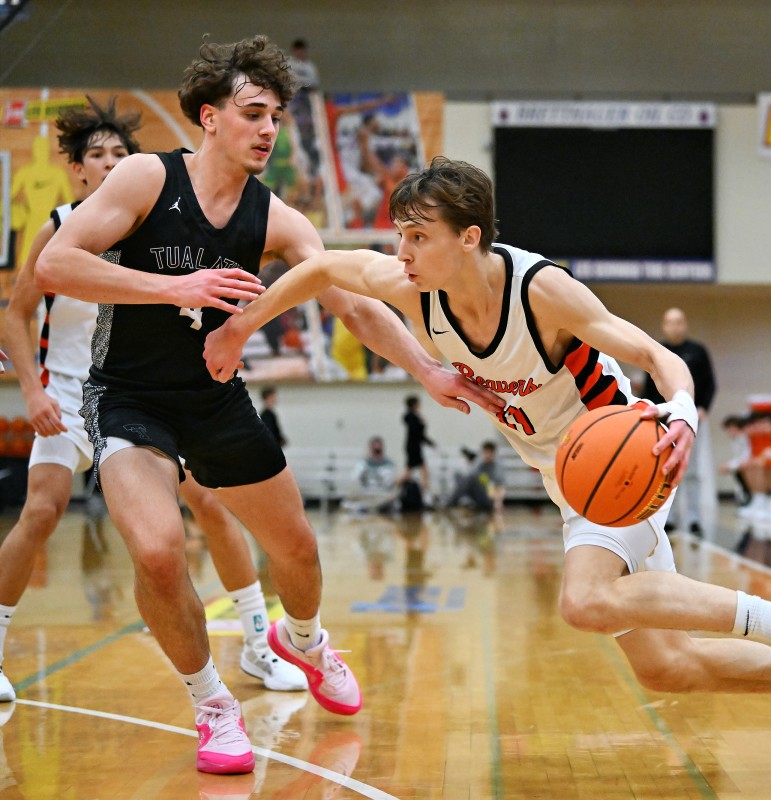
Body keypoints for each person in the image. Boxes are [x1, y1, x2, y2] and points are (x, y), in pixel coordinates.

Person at [205, 156, 771, 773]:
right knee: (669, 665)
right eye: (401, 236)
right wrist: (241, 325)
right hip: (566, 475)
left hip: (622, 455)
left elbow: (650, 354)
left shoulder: (540, 290)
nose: (403, 251)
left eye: (419, 236)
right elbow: (323, 267)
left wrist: (684, 410)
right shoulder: (413, 289)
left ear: (469, 236)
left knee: (584, 600)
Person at [35, 37, 501, 775]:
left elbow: (353, 307)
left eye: (276, 116)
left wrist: (428, 368)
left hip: (215, 400)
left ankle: (306, 640)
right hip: (127, 396)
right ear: (209, 117)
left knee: (299, 552)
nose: (268, 129)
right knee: (157, 552)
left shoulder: (277, 219)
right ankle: (213, 705)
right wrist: (173, 288)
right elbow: (53, 263)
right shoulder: (144, 179)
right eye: (253, 113)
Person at [0, 96, 305, 707]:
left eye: (121, 153)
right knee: (41, 512)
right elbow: (18, 314)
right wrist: (30, 389)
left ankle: (256, 642)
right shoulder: (61, 227)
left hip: (148, 398)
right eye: (98, 155)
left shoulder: (151, 214)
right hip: (70, 393)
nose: (112, 163)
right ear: (77, 170)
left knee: (214, 511)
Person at [641, 308, 717, 536]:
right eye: (670, 322)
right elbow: (649, 386)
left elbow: (709, 383)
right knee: (664, 468)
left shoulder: (698, 351)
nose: (674, 326)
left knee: (691, 469)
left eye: (678, 322)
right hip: (664, 418)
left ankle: (694, 518)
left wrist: (702, 408)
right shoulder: (658, 351)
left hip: (691, 419)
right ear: (664, 325)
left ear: (685, 324)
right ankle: (668, 518)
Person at [442, 440, 505, 513]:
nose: (487, 455)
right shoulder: (479, 464)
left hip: (488, 496)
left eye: (489, 453)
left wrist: (498, 503)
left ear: (493, 454)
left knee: (470, 478)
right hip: (477, 492)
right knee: (458, 475)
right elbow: (468, 478)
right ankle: (456, 499)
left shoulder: (497, 468)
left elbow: (501, 487)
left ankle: (450, 502)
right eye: (485, 453)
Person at [401, 394, 434, 495]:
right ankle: (425, 491)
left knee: (411, 471)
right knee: (418, 471)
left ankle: (425, 491)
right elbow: (418, 433)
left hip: (414, 446)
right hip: (413, 447)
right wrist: (423, 424)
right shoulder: (412, 417)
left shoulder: (413, 416)